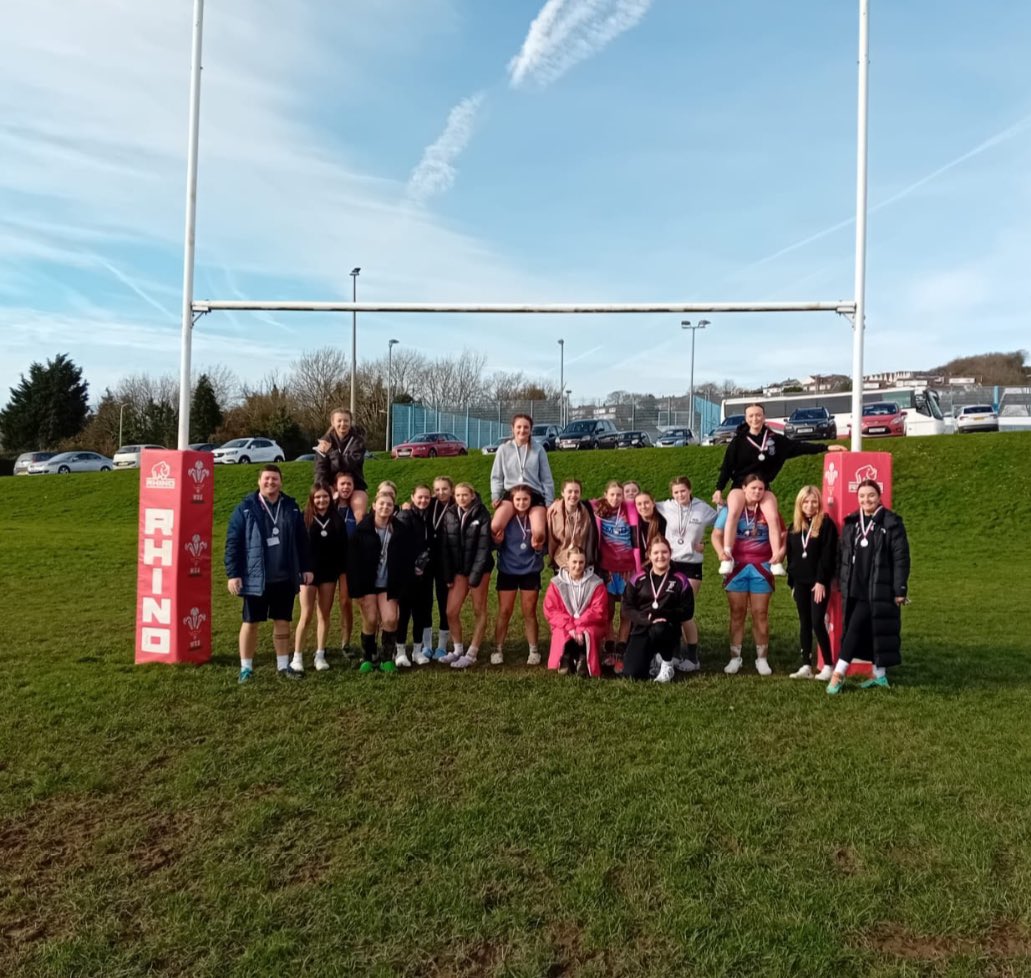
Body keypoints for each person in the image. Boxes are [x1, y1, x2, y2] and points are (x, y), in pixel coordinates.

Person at [713, 403, 845, 576]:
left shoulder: (775, 439)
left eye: (758, 415)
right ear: (746, 419)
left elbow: (799, 447)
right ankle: (727, 557)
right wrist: (719, 489)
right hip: (740, 486)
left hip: (763, 486)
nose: (755, 419)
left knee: (773, 516)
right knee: (733, 512)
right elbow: (726, 467)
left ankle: (775, 560)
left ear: (764, 417)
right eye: (751, 416)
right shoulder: (738, 441)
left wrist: (826, 447)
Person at [225, 465, 312, 683]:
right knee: (250, 622)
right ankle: (246, 668)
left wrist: (306, 567)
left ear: (281, 482)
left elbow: (302, 541)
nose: (270, 483)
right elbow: (233, 543)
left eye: (275, 479)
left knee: (282, 621)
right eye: (266, 479)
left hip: (284, 577)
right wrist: (233, 574)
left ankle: (283, 666)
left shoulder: (291, 507)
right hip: (256, 578)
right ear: (259, 481)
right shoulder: (245, 508)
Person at [827, 479, 910, 695]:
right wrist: (838, 579)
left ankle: (839, 673)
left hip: (878, 588)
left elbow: (901, 557)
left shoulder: (892, 523)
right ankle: (880, 676)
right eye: (862, 496)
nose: (866, 500)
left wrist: (900, 588)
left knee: (855, 629)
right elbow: (842, 554)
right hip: (854, 586)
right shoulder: (852, 522)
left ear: (879, 496)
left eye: (871, 495)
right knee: (872, 629)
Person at [710, 473, 781, 676]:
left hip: (762, 567)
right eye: (753, 488)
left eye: (761, 489)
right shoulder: (730, 509)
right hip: (737, 567)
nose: (757, 492)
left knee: (760, 614)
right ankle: (735, 658)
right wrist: (720, 553)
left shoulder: (769, 509)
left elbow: (780, 533)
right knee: (737, 613)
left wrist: (779, 554)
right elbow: (716, 535)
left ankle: (762, 659)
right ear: (744, 488)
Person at [347, 492, 415, 674]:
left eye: (389, 505)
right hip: (367, 584)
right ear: (374, 506)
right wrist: (356, 590)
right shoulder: (361, 531)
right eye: (382, 504)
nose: (385, 507)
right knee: (370, 619)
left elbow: (406, 559)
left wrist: (403, 586)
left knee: (391, 619)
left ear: (394, 509)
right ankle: (368, 657)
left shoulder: (400, 530)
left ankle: (386, 658)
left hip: (388, 584)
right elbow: (352, 563)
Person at [655, 477, 717, 671]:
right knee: (669, 610)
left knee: (684, 612)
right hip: (670, 564)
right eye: (676, 492)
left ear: (690, 490)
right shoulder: (666, 506)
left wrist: (708, 541)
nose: (680, 495)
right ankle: (674, 653)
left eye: (683, 491)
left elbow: (723, 520)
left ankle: (692, 657)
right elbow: (643, 504)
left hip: (691, 564)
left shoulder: (702, 508)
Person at [621, 537, 696, 683]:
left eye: (664, 552)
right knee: (632, 673)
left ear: (670, 553)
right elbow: (626, 607)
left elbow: (688, 610)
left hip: (667, 628)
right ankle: (653, 659)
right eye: (656, 553)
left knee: (659, 628)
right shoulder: (639, 578)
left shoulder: (680, 579)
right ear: (649, 555)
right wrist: (645, 618)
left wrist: (666, 615)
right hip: (642, 628)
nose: (660, 556)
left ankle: (667, 663)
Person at [291, 483, 347, 673]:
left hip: (329, 574)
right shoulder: (304, 518)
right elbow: (297, 546)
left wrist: (340, 572)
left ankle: (320, 654)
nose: (321, 500)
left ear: (330, 498)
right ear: (312, 499)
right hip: (308, 573)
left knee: (324, 614)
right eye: (317, 497)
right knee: (306, 615)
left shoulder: (337, 519)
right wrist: (301, 569)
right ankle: (297, 656)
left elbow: (343, 548)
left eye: (325, 497)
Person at [786, 485, 839, 681]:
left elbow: (827, 556)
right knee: (804, 623)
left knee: (818, 621)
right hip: (800, 583)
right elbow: (791, 558)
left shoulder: (826, 525)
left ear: (819, 503)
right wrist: (792, 584)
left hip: (818, 584)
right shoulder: (794, 527)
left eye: (813, 501)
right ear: (800, 504)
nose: (809, 505)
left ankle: (828, 665)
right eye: (805, 502)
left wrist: (821, 581)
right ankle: (806, 665)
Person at [440, 482, 494, 669]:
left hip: (480, 569)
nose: (461, 498)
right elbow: (445, 546)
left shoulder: (482, 514)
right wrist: (448, 575)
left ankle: (472, 652)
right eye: (458, 495)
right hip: (459, 570)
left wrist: (475, 577)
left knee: (479, 609)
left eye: (465, 495)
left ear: (472, 496)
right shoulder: (450, 514)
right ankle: (457, 649)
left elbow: (484, 547)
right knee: (451, 611)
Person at [492, 485, 544, 666]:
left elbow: (543, 548)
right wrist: (497, 543)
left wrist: (537, 550)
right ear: (512, 502)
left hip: (530, 571)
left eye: (525, 499)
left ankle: (534, 649)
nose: (522, 503)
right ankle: (497, 649)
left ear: (531, 501)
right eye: (518, 500)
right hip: (508, 571)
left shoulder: (536, 518)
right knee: (504, 612)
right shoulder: (506, 519)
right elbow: (497, 546)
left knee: (529, 612)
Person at [592, 480, 640, 671]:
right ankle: (610, 645)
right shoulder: (600, 510)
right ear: (605, 494)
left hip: (628, 569)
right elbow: (585, 502)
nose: (615, 498)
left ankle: (621, 648)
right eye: (612, 494)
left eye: (619, 495)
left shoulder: (630, 509)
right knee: (608, 610)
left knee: (626, 611)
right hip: (608, 570)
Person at [490, 414, 555, 551]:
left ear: (531, 430)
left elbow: (546, 479)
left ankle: (534, 556)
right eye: (519, 427)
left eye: (526, 427)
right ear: (512, 429)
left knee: (539, 533)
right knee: (495, 526)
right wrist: (496, 496)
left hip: (534, 494)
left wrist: (549, 502)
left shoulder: (538, 449)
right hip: (512, 494)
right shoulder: (503, 449)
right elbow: (497, 476)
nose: (522, 430)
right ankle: (502, 551)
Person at [543, 545, 608, 676]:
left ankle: (583, 659)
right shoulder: (556, 583)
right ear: (567, 562)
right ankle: (565, 659)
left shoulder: (596, 583)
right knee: (562, 632)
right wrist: (570, 625)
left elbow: (599, 610)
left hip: (589, 623)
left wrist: (579, 625)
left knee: (588, 633)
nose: (577, 566)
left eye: (581, 562)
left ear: (585, 563)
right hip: (566, 624)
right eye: (574, 562)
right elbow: (551, 609)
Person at [395, 483, 436, 666]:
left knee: (421, 612)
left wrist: (424, 562)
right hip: (407, 573)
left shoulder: (428, 516)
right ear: (412, 497)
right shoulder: (405, 515)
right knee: (404, 613)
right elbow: (401, 545)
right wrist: (412, 565)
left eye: (426, 497)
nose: (423, 500)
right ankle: (400, 651)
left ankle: (418, 651)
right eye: (420, 497)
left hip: (425, 574)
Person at [315, 409, 368, 521]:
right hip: (330, 483)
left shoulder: (358, 441)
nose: (343, 424)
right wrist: (323, 488)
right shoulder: (325, 441)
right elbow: (320, 468)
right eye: (339, 421)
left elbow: (349, 465)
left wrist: (330, 452)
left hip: (355, 484)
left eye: (346, 421)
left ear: (350, 422)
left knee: (360, 512)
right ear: (332, 422)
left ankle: (359, 537)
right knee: (324, 505)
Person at [428, 476, 455, 659]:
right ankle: (426, 644)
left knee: (444, 602)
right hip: (427, 561)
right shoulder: (430, 504)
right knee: (425, 603)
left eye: (444, 489)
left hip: (446, 562)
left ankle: (442, 645)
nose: (441, 493)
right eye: (437, 489)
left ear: (451, 490)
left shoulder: (456, 506)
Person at [546, 478, 599, 572]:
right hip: (561, 563)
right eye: (569, 491)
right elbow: (551, 541)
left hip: (581, 564)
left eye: (576, 492)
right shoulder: (553, 513)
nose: (573, 495)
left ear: (580, 494)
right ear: (562, 493)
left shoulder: (587, 512)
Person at [334, 470, 359, 657]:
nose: (345, 487)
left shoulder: (356, 508)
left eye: (349, 484)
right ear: (336, 486)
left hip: (348, 563)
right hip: (327, 562)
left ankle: (345, 642)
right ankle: (321, 646)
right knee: (322, 607)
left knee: (345, 602)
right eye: (342, 484)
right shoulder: (328, 506)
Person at [633, 490, 667, 567]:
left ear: (653, 503)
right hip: (640, 566)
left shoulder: (663, 521)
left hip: (660, 563)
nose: (643, 507)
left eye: (646, 503)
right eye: (639, 504)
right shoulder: (635, 524)